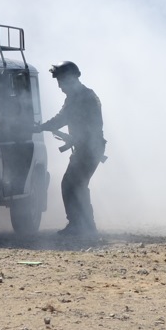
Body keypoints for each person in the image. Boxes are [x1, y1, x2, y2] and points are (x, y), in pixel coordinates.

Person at [36, 61, 106, 236]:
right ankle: (86, 225)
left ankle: (79, 225)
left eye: (61, 81)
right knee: (77, 185)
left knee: (71, 184)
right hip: (89, 147)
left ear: (71, 79)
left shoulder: (81, 97)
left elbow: (61, 119)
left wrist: (39, 127)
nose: (60, 86)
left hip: (88, 148)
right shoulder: (82, 95)